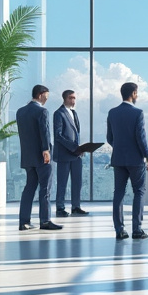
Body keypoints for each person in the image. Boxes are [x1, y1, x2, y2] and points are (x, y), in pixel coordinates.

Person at [106, 81, 148, 240]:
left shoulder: (112, 112)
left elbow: (109, 138)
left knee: (118, 192)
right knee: (139, 191)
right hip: (135, 160)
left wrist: (119, 147)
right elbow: (141, 138)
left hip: (118, 158)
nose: (137, 96)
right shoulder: (138, 113)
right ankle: (137, 229)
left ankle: (119, 230)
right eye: (136, 93)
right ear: (133, 93)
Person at [15, 84, 62, 231]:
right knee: (45, 188)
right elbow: (44, 131)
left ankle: (24, 222)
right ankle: (45, 220)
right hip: (42, 156)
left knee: (29, 188)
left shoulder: (20, 112)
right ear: (40, 95)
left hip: (28, 156)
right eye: (46, 97)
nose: (47, 100)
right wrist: (46, 150)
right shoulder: (42, 111)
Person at [53, 89, 88, 217]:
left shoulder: (74, 113)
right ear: (65, 98)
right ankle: (60, 208)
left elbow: (76, 133)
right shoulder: (59, 113)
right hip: (64, 154)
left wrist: (79, 149)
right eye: (71, 98)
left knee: (77, 182)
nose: (73, 100)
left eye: (74, 98)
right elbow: (58, 135)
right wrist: (74, 148)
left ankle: (76, 207)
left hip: (76, 155)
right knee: (62, 182)